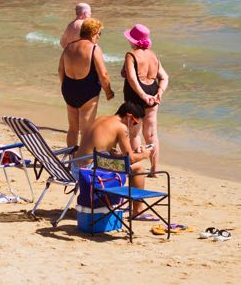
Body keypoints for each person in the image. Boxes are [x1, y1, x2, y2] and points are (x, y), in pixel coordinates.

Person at [77, 102, 155, 219]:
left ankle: (136, 208)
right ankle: (138, 211)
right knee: (139, 167)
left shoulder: (101, 118)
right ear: (128, 116)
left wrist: (118, 156)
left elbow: (100, 149)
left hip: (76, 167)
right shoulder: (121, 127)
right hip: (91, 172)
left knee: (131, 163)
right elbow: (131, 159)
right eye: (134, 122)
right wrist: (144, 154)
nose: (133, 126)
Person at [59, 18, 114, 148]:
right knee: (86, 131)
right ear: (93, 33)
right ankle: (83, 163)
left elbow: (61, 70)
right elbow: (103, 75)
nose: (99, 36)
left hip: (69, 89)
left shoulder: (68, 46)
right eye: (99, 33)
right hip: (87, 92)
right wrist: (108, 92)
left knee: (72, 128)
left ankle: (72, 160)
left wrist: (65, 87)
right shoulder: (94, 48)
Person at [121, 25, 169, 175]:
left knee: (134, 133)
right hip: (153, 92)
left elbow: (132, 78)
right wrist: (159, 92)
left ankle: (137, 168)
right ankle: (154, 169)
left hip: (135, 97)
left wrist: (142, 96)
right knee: (151, 134)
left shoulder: (131, 55)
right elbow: (165, 77)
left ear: (133, 41)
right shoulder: (153, 55)